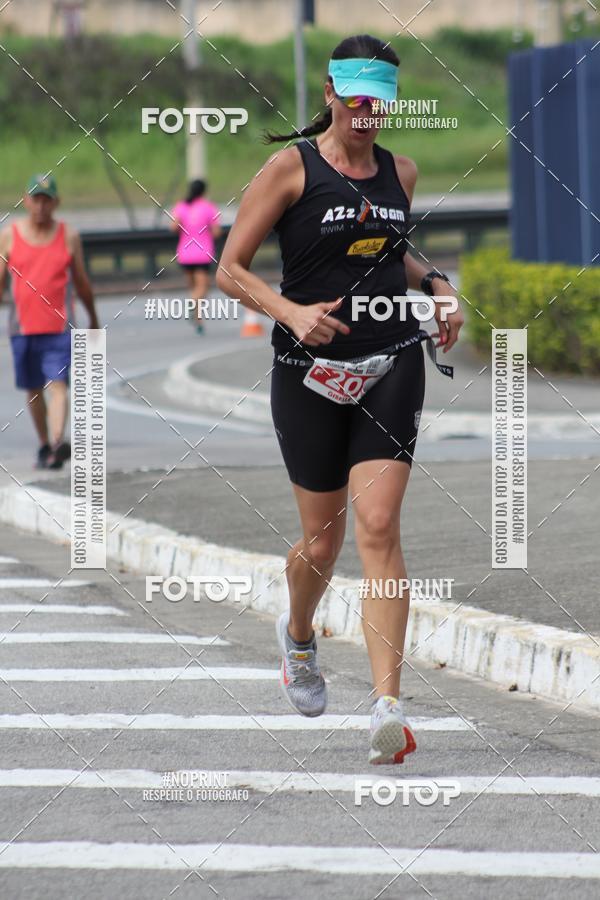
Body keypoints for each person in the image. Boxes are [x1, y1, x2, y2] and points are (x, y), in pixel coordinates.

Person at [217, 34, 464, 766]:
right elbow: (231, 268)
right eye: (354, 100)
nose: (366, 114)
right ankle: (298, 636)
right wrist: (290, 312)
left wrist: (435, 283)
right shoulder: (290, 169)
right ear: (329, 93)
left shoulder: (401, 172)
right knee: (321, 543)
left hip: (391, 361)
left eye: (378, 102)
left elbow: (390, 248)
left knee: (379, 526)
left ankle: (388, 707)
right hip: (309, 372)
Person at [0, 174, 99, 470]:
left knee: (58, 385)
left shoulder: (68, 236)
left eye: (47, 200)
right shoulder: (8, 235)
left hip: (59, 328)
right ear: (25, 201)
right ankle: (45, 445)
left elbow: (81, 282)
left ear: (56, 202)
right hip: (22, 328)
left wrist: (93, 316)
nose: (41, 206)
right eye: (36, 200)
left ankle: (57, 442)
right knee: (33, 389)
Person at [170, 179, 222, 334]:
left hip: (185, 253)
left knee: (193, 288)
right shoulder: (208, 207)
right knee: (202, 288)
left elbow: (173, 227)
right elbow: (217, 232)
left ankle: (198, 321)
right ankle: (192, 304)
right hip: (202, 253)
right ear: (204, 191)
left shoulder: (181, 206)